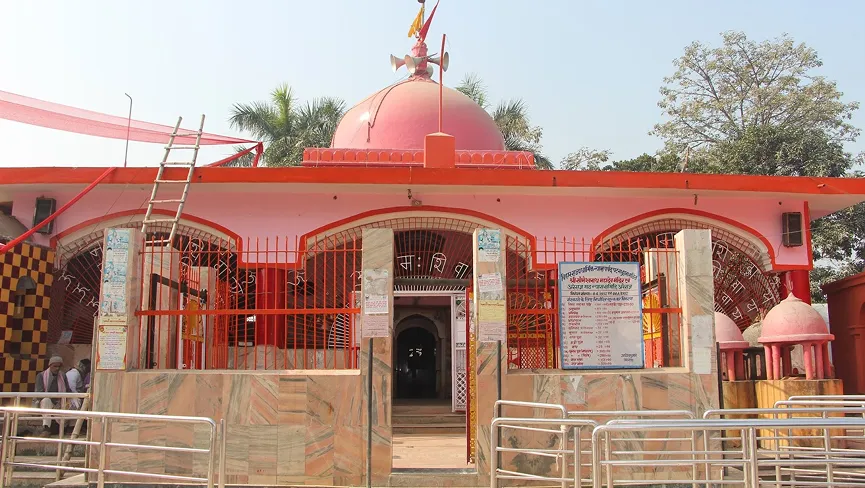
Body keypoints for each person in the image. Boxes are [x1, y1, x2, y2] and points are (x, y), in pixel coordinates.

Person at [34, 356, 70, 436]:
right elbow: (39, 394)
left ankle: (69, 428)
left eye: (59, 366)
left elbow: (67, 390)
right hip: (46, 401)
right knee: (46, 400)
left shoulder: (63, 376)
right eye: (55, 366)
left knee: (74, 402)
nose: (57, 368)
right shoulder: (41, 376)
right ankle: (46, 428)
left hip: (60, 401)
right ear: (50, 365)